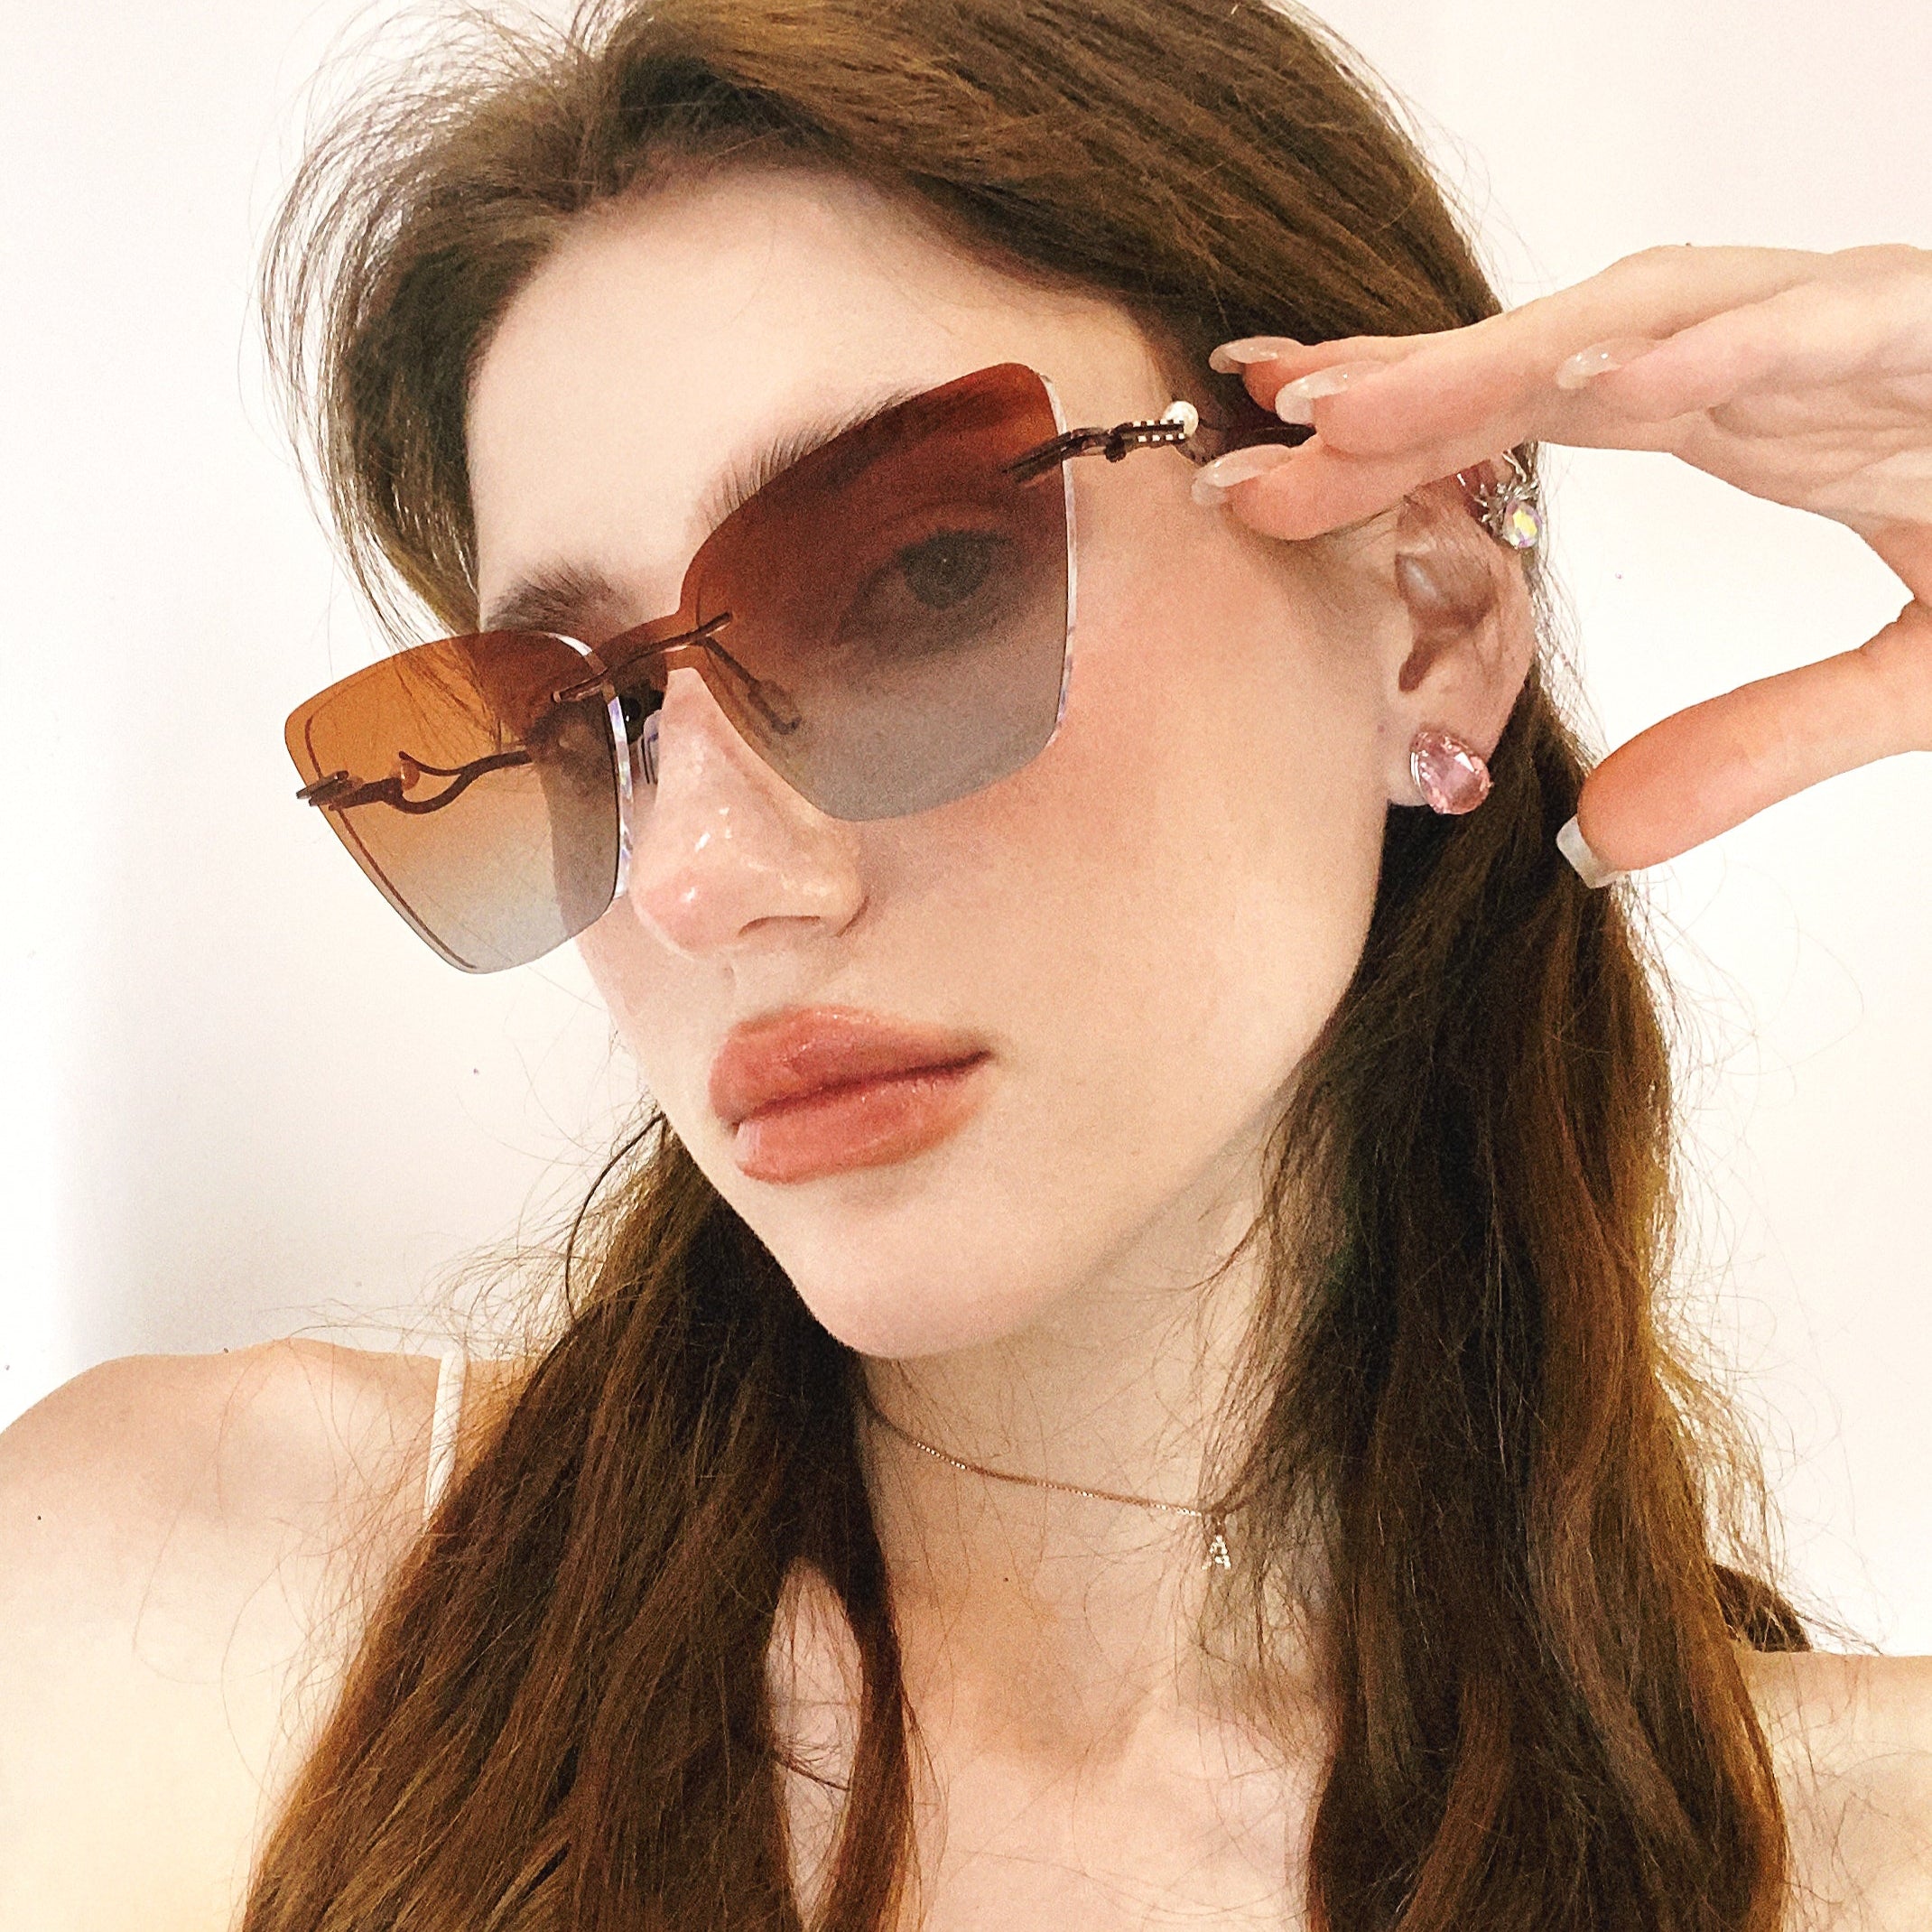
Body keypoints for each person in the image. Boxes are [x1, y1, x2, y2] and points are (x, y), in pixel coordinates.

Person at [2, 0, 1927, 1926]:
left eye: (919, 577)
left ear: (1424, 611)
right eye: (581, 722)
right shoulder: (170, 1616)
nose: (700, 878)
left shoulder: (1861, 1851)